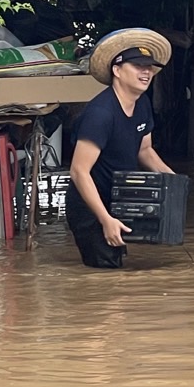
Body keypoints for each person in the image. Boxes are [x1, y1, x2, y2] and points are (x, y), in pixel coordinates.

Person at [66, 31, 174, 268]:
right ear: (117, 70)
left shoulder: (142, 103)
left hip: (119, 200)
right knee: (105, 276)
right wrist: (105, 218)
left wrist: (173, 183)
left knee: (120, 272)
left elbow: (144, 150)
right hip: (91, 206)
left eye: (149, 67)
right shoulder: (100, 114)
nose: (146, 72)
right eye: (137, 66)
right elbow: (78, 172)